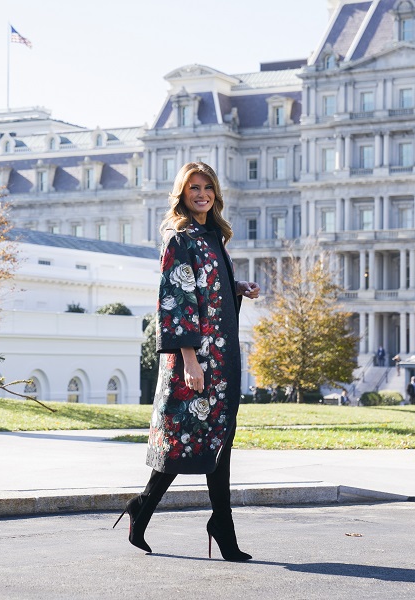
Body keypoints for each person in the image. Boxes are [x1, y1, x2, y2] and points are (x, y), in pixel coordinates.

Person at [113, 162, 260, 562]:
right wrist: (190, 361)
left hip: (223, 357)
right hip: (193, 359)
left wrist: (237, 286)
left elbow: (206, 287)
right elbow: (176, 302)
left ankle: (218, 523)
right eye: (194, 187)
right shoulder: (179, 238)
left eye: (208, 186)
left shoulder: (213, 235)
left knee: (218, 441)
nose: (202, 194)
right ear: (182, 192)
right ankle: (145, 506)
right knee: (183, 442)